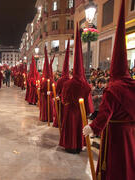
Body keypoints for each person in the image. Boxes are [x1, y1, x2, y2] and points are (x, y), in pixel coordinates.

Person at [83, 1, 135, 179]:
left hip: (116, 135)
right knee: (129, 162)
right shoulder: (131, 85)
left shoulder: (113, 88)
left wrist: (92, 127)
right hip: (131, 133)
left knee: (116, 165)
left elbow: (105, 113)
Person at [59, 25, 93, 154]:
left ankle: (69, 146)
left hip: (70, 111)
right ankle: (78, 145)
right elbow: (88, 102)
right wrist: (88, 110)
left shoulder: (67, 83)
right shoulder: (85, 85)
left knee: (70, 128)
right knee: (79, 127)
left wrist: (66, 103)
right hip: (80, 112)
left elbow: (63, 98)